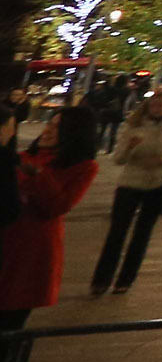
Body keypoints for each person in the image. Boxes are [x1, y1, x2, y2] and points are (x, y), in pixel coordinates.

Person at [0, 106, 103, 334]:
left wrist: (37, 176)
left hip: (30, 250)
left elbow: (57, 206)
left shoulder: (83, 167)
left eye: (58, 127)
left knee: (10, 319)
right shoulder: (24, 156)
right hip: (5, 239)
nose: (47, 130)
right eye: (49, 124)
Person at [89, 87, 162, 296]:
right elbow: (117, 159)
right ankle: (101, 280)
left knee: (142, 234)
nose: (157, 107)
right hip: (130, 182)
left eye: (161, 103)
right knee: (116, 233)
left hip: (160, 183)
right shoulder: (134, 124)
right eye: (153, 104)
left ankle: (125, 280)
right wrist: (129, 148)